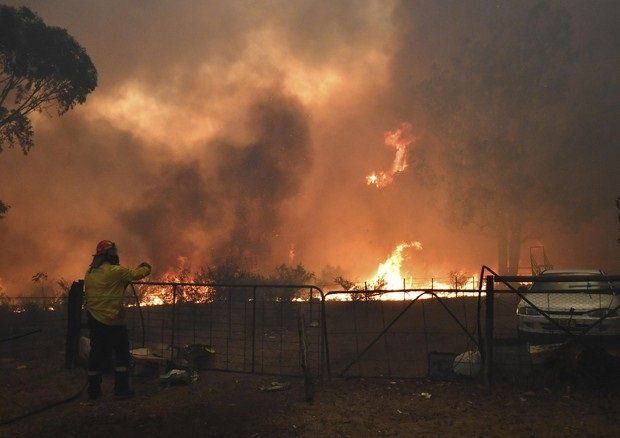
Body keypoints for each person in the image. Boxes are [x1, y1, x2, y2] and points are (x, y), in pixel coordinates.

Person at [84, 240, 151, 399]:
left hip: (94, 319)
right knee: (122, 354)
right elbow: (136, 274)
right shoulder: (115, 271)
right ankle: (121, 390)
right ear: (108, 255)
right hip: (113, 321)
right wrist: (146, 267)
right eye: (113, 252)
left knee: (96, 353)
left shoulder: (90, 272)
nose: (115, 255)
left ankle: (94, 391)